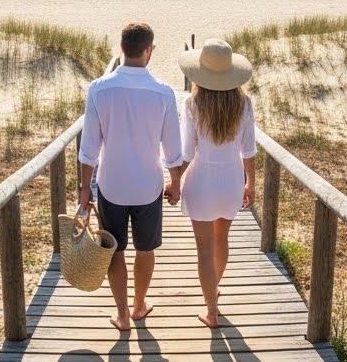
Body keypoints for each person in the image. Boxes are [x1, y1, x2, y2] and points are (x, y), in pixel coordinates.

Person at [78, 23, 184, 331]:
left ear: (122, 48)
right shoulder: (164, 93)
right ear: (148, 50)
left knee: (115, 249)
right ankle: (139, 305)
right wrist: (175, 184)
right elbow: (173, 149)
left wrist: (86, 188)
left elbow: (89, 149)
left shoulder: (99, 88)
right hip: (149, 185)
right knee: (145, 248)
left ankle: (122, 314)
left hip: (111, 184)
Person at [177, 38, 256, 328]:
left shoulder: (193, 104)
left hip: (202, 181)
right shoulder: (244, 104)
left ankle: (211, 309)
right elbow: (248, 149)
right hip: (232, 180)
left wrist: (175, 179)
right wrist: (251, 184)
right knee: (222, 239)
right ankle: (214, 291)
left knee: (204, 248)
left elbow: (187, 152)